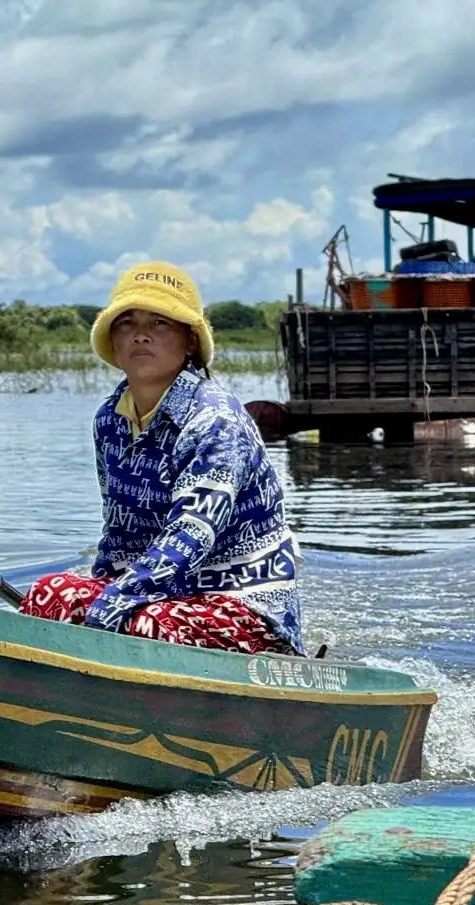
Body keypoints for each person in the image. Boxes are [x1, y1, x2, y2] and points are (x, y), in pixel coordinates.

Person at [18, 261, 302, 655]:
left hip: (239, 601)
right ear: (113, 343)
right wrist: (93, 595)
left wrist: (111, 604)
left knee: (145, 625)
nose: (141, 336)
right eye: (127, 324)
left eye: (160, 324)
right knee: (52, 594)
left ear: (189, 341)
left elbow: (192, 533)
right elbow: (117, 530)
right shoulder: (109, 420)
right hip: (153, 593)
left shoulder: (214, 419)